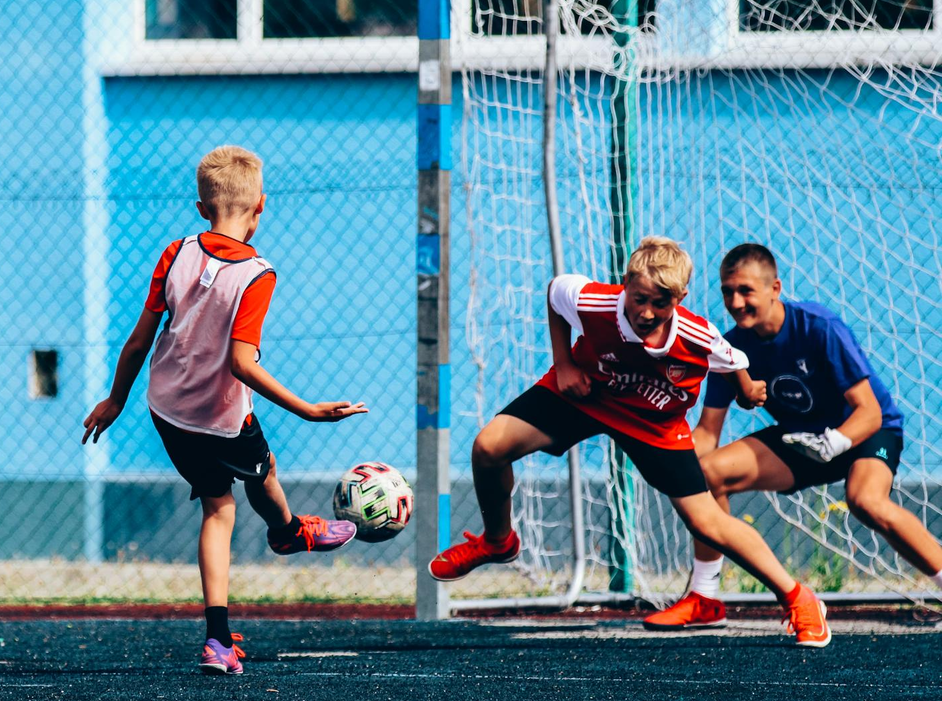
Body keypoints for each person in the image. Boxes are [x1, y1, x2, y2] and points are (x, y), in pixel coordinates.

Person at [429, 236, 831, 647]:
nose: (647, 312)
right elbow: (555, 293)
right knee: (489, 447)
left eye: (661, 303)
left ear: (680, 298)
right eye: (639, 299)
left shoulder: (698, 335)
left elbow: (734, 363)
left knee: (706, 521)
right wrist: (563, 363)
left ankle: (798, 598)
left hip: (653, 423)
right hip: (588, 395)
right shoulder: (595, 303)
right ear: (625, 285)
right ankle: (498, 541)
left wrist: (747, 392)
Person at [82, 145, 367, 674]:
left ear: (200, 208)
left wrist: (115, 399)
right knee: (263, 471)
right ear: (262, 206)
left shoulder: (176, 251)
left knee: (219, 507)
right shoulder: (258, 274)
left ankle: (217, 640)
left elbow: (139, 339)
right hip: (221, 416)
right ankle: (288, 533)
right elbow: (241, 363)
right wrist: (307, 410)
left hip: (168, 409)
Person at [644, 243, 942, 630]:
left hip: (866, 432)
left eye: (746, 290)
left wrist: (835, 442)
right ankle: (704, 598)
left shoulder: (818, 327)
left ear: (775, 289)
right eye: (727, 292)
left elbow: (869, 411)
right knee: (707, 473)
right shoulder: (729, 349)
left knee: (866, 500)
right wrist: (669, 462)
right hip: (801, 440)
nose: (735, 302)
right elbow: (707, 432)